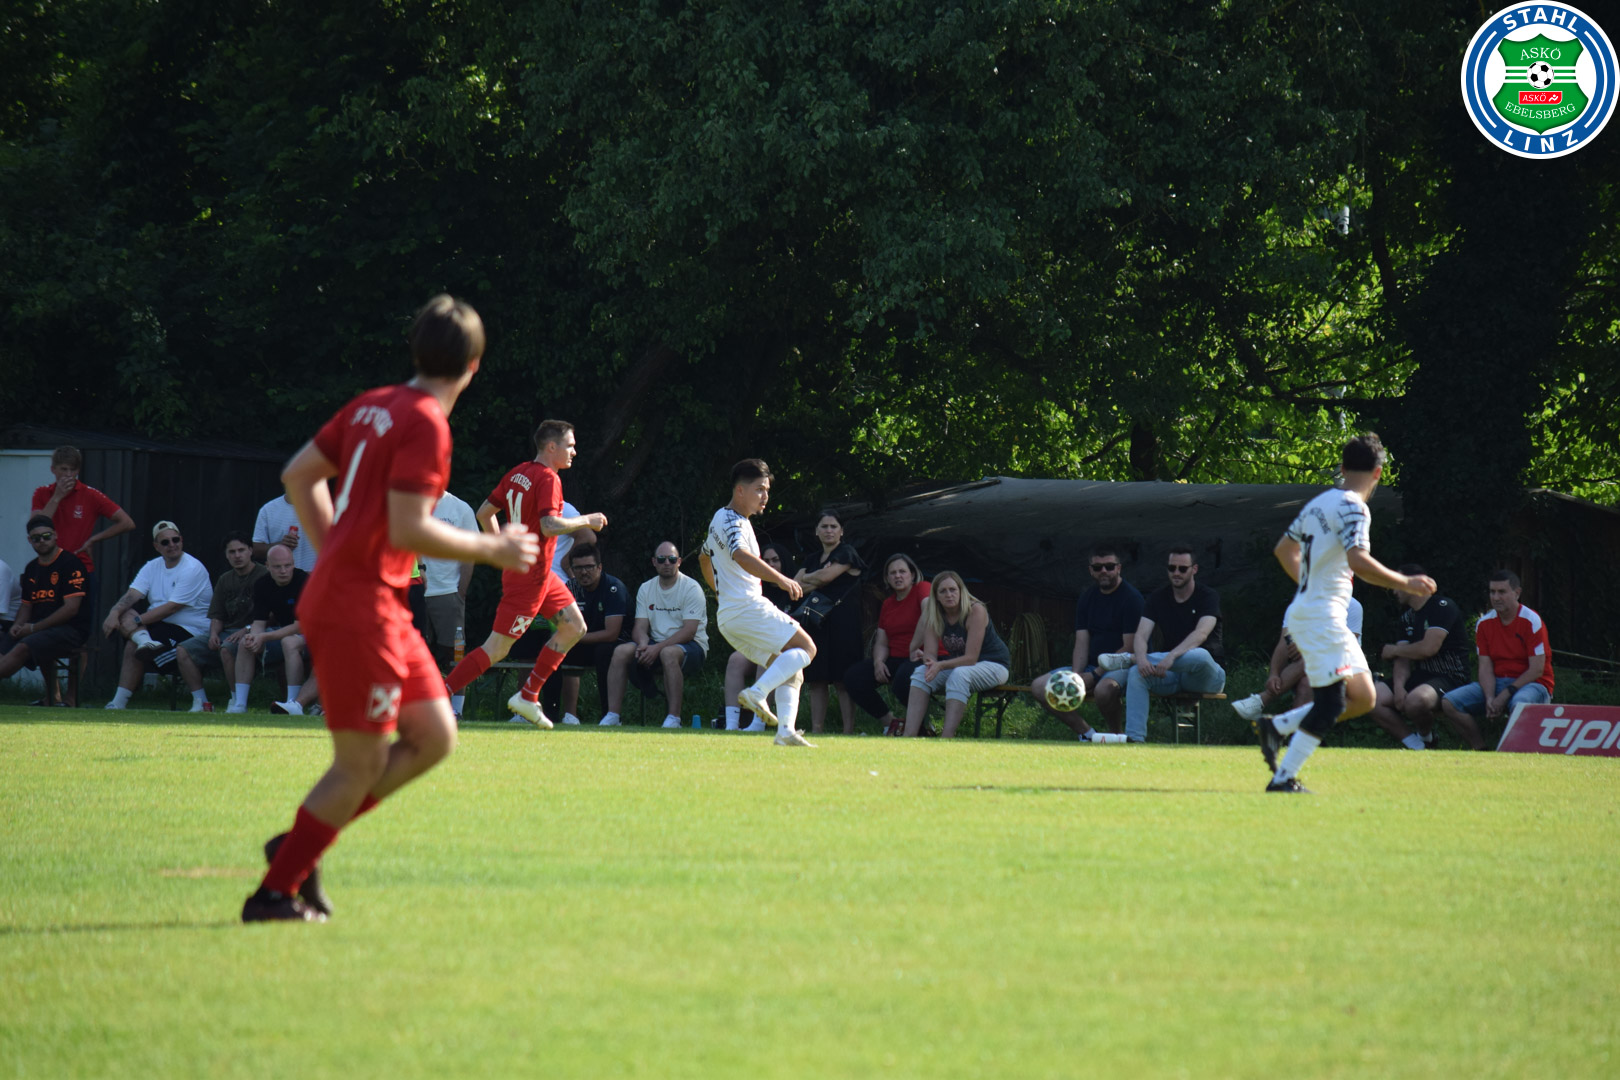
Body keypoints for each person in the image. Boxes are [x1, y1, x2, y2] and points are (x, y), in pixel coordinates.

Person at [243, 294, 538, 923]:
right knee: (362, 764)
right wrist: (493, 547)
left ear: (416, 350)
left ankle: (298, 843)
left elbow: (298, 476)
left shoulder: (373, 404)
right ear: (474, 366)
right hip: (360, 608)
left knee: (433, 737)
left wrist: (335, 551)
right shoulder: (428, 421)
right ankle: (273, 893)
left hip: (373, 601)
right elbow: (408, 528)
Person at [1252, 434, 1436, 792]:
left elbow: (1283, 550)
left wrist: (1309, 584)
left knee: (1364, 698)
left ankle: (1278, 726)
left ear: (1342, 467)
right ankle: (1283, 777)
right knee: (1332, 702)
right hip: (1322, 615)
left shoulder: (1320, 502)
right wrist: (1406, 582)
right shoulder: (1355, 507)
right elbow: (1359, 561)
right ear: (1378, 473)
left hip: (1314, 612)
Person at [440, 420, 608, 727]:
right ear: (551, 447)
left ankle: (528, 697)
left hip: (539, 575)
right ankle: (437, 699)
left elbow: (484, 513)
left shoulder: (518, 472)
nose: (574, 451)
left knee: (574, 627)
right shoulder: (549, 478)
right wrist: (587, 520)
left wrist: (500, 549)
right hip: (529, 580)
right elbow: (549, 525)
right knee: (497, 648)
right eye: (570, 445)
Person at [698, 458, 815, 747]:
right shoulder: (733, 521)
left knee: (790, 667)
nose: (765, 496)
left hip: (729, 616)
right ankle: (758, 692)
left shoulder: (719, 519)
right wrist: (781, 579)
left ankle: (785, 731)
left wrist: (719, 593)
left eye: (767, 490)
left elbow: (703, 557)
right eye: (759, 489)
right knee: (806, 648)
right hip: (747, 607)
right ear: (740, 490)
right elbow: (740, 555)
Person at [1097, 545, 1227, 743]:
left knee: (1200, 655)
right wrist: (1142, 660)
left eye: (1182, 569)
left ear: (1194, 569)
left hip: (1207, 676)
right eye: (1171, 568)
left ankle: (1128, 659)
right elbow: (1141, 636)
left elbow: (1201, 634)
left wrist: (1171, 656)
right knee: (1137, 673)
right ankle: (1134, 739)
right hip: (1171, 672)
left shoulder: (1208, 596)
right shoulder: (1158, 597)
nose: (1176, 573)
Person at [1031, 545, 1143, 743]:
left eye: (1109, 566)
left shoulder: (1132, 598)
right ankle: (1087, 734)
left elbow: (1130, 647)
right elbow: (1082, 641)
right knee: (1039, 686)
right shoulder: (1087, 598)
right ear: (1091, 570)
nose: (1104, 571)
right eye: (1098, 567)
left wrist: (1095, 675)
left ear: (1119, 568)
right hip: (1093, 666)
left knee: (1104, 690)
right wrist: (1075, 677)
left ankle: (1116, 736)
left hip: (1125, 664)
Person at [102, 520, 215, 713]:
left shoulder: (192, 568)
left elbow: (172, 608)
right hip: (161, 626)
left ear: (181, 540)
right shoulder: (152, 566)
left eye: (175, 539)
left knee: (133, 640)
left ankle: (202, 703)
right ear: (156, 546)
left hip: (191, 631)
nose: (172, 545)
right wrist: (114, 613)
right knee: (126, 615)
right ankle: (118, 703)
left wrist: (137, 621)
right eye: (165, 542)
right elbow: (133, 594)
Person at [1439, 570, 1555, 751]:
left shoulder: (1531, 620)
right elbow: (1485, 667)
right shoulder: (1484, 624)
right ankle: (1480, 749)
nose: (1495, 597)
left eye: (1502, 592)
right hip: (1499, 681)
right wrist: (1490, 698)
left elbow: (1537, 669)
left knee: (1520, 703)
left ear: (1517, 593)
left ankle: (1515, 751)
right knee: (1449, 702)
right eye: (1492, 592)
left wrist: (1504, 695)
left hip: (1534, 684)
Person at [601, 542, 709, 728]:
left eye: (672, 559)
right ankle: (613, 716)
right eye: (661, 559)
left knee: (668, 653)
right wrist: (644, 644)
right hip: (656, 644)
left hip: (692, 645)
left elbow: (689, 631)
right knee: (621, 651)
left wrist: (657, 648)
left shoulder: (692, 588)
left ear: (679, 562)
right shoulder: (646, 588)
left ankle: (674, 718)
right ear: (654, 562)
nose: (667, 563)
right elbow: (640, 627)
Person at [901, 571, 1012, 738]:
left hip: (995, 665)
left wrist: (940, 665)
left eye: (953, 589)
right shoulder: (934, 614)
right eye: (943, 591)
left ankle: (946, 738)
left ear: (961, 591)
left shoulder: (975, 610)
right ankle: (908, 736)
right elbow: (930, 656)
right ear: (936, 596)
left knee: (960, 674)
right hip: (962, 666)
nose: (949, 594)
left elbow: (971, 659)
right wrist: (929, 662)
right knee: (920, 674)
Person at [1366, 571, 1469, 750]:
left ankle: (1426, 737)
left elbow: (1428, 648)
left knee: (1415, 700)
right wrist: (1399, 687)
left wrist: (1394, 650)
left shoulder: (1442, 607)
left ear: (1413, 585)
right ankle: (1417, 746)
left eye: (1398, 584)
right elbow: (1402, 659)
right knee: (1372, 698)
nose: (1394, 591)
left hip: (1451, 676)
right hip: (1421, 676)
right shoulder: (1407, 617)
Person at [1232, 597, 1364, 724]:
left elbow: (1344, 646)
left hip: (1347, 668)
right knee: (1306, 683)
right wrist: (1274, 674)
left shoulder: (1351, 606)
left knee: (1312, 656)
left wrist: (1305, 644)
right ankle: (1295, 735)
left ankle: (1262, 699)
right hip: (1312, 669)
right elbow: (1284, 644)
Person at [841, 553, 930, 736]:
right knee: (853, 677)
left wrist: (914, 647)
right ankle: (891, 723)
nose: (898, 576)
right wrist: (878, 662)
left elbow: (928, 615)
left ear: (912, 574)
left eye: (902, 571)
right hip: (895, 658)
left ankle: (919, 727)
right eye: (893, 573)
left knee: (903, 678)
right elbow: (882, 642)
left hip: (922, 656)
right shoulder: (888, 604)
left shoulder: (922, 588)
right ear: (887, 578)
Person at [30, 445, 136, 596]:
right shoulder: (42, 492)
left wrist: (94, 539)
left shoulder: (90, 495)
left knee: (79, 611)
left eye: (72, 470)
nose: (68, 475)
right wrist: (57, 497)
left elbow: (127, 523)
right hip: (48, 566)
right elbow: (35, 526)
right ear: (53, 469)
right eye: (64, 469)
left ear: (78, 470)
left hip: (80, 568)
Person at [796, 510, 867, 735]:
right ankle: (817, 730)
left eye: (833, 526)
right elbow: (795, 586)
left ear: (841, 531)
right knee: (816, 680)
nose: (829, 530)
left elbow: (825, 578)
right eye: (824, 526)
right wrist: (817, 577)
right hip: (816, 624)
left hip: (844, 626)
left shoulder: (847, 553)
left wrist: (814, 578)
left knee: (842, 680)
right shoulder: (811, 558)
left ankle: (848, 731)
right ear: (816, 531)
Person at [0, 515, 91, 689]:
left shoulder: (71, 564)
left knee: (25, 646)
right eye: (36, 538)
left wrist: (34, 628)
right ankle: (51, 697)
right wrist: (18, 625)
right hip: (38, 628)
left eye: (46, 536)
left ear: (55, 535)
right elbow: (26, 605)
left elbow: (71, 609)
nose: (42, 541)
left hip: (71, 629)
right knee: (8, 643)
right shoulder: (31, 568)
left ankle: (66, 698)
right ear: (30, 541)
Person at [178, 532, 267, 693]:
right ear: (226, 555)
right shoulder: (224, 579)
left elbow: (271, 616)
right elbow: (217, 615)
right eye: (232, 552)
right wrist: (213, 634)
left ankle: (236, 699)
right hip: (228, 632)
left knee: (227, 648)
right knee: (183, 650)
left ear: (250, 550)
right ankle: (200, 701)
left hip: (255, 631)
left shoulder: (264, 575)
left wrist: (246, 630)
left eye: (241, 550)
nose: (237, 555)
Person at [722, 541, 794, 732]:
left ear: (784, 562)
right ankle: (731, 724)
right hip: (757, 644)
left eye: (775, 560)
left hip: (786, 648)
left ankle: (758, 723)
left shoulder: (793, 588)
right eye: (766, 561)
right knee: (735, 660)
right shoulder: (755, 590)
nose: (771, 565)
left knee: (766, 658)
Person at [229, 544, 310, 714]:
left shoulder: (304, 581)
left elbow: (300, 626)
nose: (283, 571)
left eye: (287, 565)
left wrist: (264, 637)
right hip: (282, 632)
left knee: (289, 643)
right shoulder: (262, 584)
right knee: (245, 642)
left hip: (311, 634)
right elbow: (259, 622)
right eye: (277, 566)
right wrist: (254, 636)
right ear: (267, 566)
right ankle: (240, 704)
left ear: (293, 564)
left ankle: (293, 703)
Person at [554, 544, 630, 726]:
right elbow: (560, 624)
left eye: (589, 567)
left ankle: (610, 716)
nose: (584, 572)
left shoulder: (613, 588)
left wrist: (574, 637)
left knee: (604, 652)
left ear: (599, 567)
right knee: (554, 649)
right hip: (583, 641)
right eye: (578, 568)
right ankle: (556, 714)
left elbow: (612, 634)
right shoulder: (570, 588)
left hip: (615, 644)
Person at [422, 490, 478, 680]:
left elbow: (470, 553)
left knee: (454, 654)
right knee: (413, 651)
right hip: (413, 589)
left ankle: (457, 699)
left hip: (448, 591)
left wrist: (460, 592)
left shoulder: (460, 508)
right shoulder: (408, 503)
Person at [253, 494, 318, 572]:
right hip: (281, 575)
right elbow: (256, 549)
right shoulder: (268, 510)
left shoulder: (322, 507)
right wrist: (280, 546)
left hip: (315, 576)